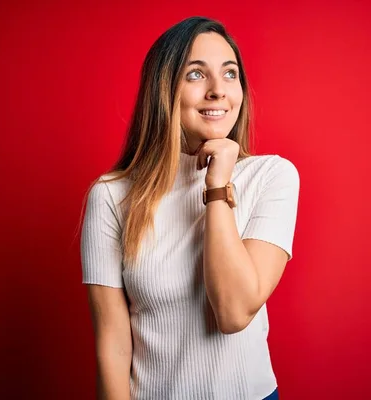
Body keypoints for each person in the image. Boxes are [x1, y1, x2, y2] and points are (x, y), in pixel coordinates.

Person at [80, 16, 299, 400]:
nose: (218, 91)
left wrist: (217, 187)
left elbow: (233, 312)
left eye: (230, 74)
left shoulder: (272, 176)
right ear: (164, 90)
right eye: (196, 75)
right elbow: (113, 349)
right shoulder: (112, 196)